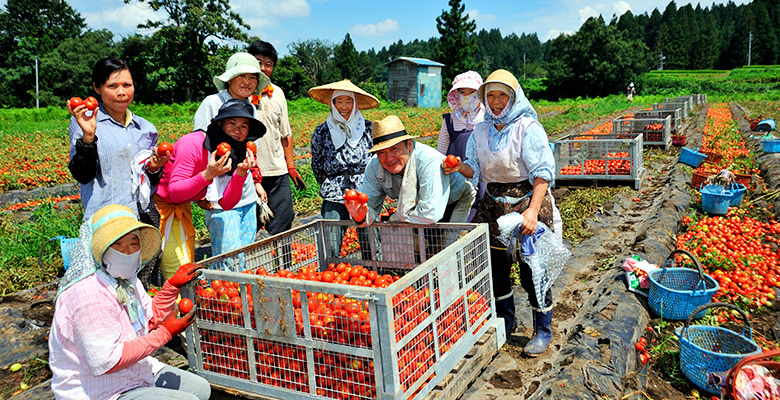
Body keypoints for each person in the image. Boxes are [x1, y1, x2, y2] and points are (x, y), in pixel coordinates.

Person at [442, 69, 562, 356]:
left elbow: (543, 173)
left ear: (513, 97)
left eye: (502, 95)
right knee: (496, 268)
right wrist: (458, 166)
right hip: (494, 203)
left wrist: (533, 211)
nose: (496, 101)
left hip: (526, 200)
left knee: (532, 268)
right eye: (490, 95)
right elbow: (474, 167)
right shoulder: (481, 129)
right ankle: (506, 321)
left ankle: (542, 329)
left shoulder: (527, 128)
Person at [49, 204, 209, 400]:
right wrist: (164, 334)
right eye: (117, 244)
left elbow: (149, 318)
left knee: (201, 389)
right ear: (101, 248)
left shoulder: (125, 280)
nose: (126, 251)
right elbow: (108, 361)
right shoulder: (88, 295)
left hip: (134, 370)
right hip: (99, 389)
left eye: (133, 243)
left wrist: (172, 285)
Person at [67, 57, 170, 286]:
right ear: (97, 88)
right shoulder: (85, 122)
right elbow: (82, 174)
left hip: (137, 219)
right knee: (103, 286)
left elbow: (147, 181)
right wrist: (88, 137)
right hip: (105, 220)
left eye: (127, 85)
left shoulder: (145, 128)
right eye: (112, 86)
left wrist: (154, 168)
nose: (122, 92)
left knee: (135, 284)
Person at [166, 99, 264, 276]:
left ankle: (232, 296)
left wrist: (240, 174)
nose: (237, 130)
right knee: (175, 267)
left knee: (237, 261)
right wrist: (207, 175)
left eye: (244, 126)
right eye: (231, 123)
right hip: (162, 205)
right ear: (220, 124)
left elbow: (227, 203)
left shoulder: (237, 152)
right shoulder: (194, 144)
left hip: (184, 203)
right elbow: (173, 192)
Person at [345, 115, 475, 227]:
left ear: (409, 145)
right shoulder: (375, 166)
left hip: (454, 200)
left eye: (394, 149)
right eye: (381, 152)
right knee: (416, 248)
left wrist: (395, 219)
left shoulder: (428, 160)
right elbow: (369, 208)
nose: (389, 158)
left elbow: (431, 213)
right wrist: (360, 216)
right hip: (419, 208)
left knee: (445, 248)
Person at [308, 79, 378, 258]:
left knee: (370, 240)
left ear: (355, 104)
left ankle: (376, 272)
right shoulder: (322, 132)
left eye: (349, 101)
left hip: (364, 190)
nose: (343, 107)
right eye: (339, 101)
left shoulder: (368, 129)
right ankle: (330, 274)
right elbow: (317, 163)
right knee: (330, 243)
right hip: (334, 191)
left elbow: (377, 159)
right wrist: (330, 182)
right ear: (332, 103)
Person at [247, 40, 304, 236]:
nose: (263, 68)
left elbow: (285, 134)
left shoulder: (278, 93)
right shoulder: (241, 92)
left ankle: (282, 263)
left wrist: (291, 167)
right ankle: (252, 264)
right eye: (258, 62)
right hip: (248, 172)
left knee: (283, 219)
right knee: (251, 221)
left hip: (277, 170)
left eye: (268, 64)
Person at [437, 71, 486, 222]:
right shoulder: (450, 120)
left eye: (472, 92)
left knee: (478, 208)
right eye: (462, 92)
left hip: (482, 174)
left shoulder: (487, 119)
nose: (467, 96)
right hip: (454, 174)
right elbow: (440, 151)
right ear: (456, 94)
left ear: (479, 93)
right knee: (452, 209)